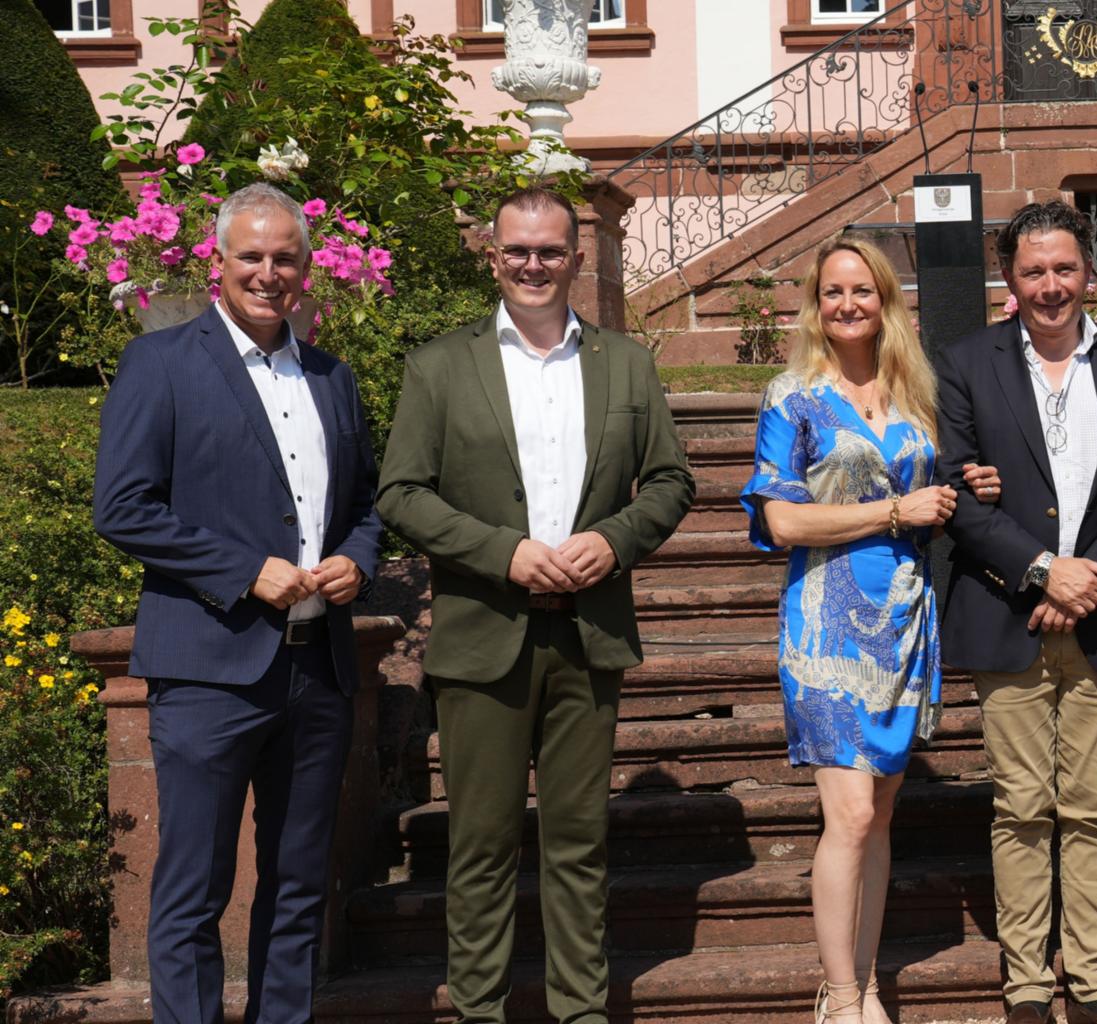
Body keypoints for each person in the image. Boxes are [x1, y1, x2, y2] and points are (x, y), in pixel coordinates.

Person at [376, 187, 694, 1024]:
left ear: (577, 259)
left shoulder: (627, 363)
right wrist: (502, 553)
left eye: (550, 251)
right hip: (485, 636)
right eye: (517, 249)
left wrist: (616, 541)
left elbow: (670, 481)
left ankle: (579, 1012)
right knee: (479, 847)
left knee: (579, 847)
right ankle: (479, 1011)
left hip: (588, 636)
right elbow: (401, 494)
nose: (533, 264)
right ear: (492, 254)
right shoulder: (440, 366)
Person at [92, 182, 383, 1024]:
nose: (268, 273)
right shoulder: (162, 362)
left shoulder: (333, 376)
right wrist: (243, 569)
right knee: (193, 886)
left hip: (316, 670)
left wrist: (354, 565)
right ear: (218, 263)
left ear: (305, 267)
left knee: (297, 886)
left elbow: (365, 505)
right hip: (209, 665)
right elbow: (123, 505)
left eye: (283, 257)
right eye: (250, 256)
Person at [741, 236, 1003, 1024]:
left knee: (881, 815)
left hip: (905, 620)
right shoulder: (793, 397)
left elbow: (933, 493)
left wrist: (966, 484)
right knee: (849, 813)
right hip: (825, 627)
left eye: (863, 290)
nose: (847, 304)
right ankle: (841, 995)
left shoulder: (915, 394)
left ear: (888, 300)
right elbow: (782, 519)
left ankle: (868, 983)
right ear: (815, 305)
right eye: (832, 292)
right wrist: (894, 511)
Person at [934, 200, 1097, 1024]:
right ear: (1010, 278)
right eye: (1033, 270)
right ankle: (1029, 983)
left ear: (1091, 273)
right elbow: (956, 486)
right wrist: (1042, 574)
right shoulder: (965, 363)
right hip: (1007, 612)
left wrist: (1089, 580)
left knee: (1094, 803)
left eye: (1065, 268)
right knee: (1021, 806)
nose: (1050, 285)